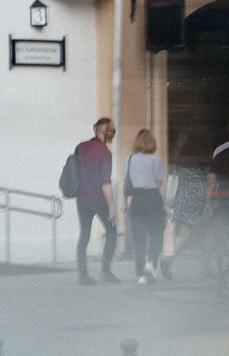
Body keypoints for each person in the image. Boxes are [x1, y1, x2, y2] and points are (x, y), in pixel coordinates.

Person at [73, 117, 119, 284]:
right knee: (112, 232)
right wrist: (112, 206)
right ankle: (106, 271)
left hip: (82, 198)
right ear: (105, 132)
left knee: (84, 234)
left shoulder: (81, 147)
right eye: (113, 130)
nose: (114, 134)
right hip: (99, 199)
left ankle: (83, 275)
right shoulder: (105, 153)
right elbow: (105, 182)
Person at [125, 127, 167, 285]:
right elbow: (161, 184)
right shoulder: (155, 160)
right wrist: (166, 206)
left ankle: (141, 272)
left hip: (137, 199)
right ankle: (151, 264)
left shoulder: (129, 160)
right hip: (153, 198)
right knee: (156, 233)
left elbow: (126, 183)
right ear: (152, 143)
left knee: (139, 237)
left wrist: (124, 204)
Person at [167, 132, 209, 277]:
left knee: (183, 235)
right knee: (206, 234)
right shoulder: (203, 159)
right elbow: (210, 180)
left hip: (183, 198)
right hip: (199, 199)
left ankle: (168, 259)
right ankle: (207, 269)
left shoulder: (181, 159)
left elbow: (177, 180)